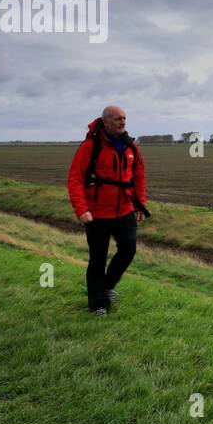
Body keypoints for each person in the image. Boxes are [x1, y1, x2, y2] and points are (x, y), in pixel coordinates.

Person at [65, 105, 149, 316]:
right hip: (97, 213)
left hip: (125, 209)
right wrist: (81, 208)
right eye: (118, 119)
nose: (122, 122)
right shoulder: (90, 146)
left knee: (129, 249)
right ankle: (97, 304)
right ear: (106, 121)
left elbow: (138, 176)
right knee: (98, 258)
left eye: (124, 118)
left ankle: (106, 286)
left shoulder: (131, 147)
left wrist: (140, 204)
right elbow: (75, 178)